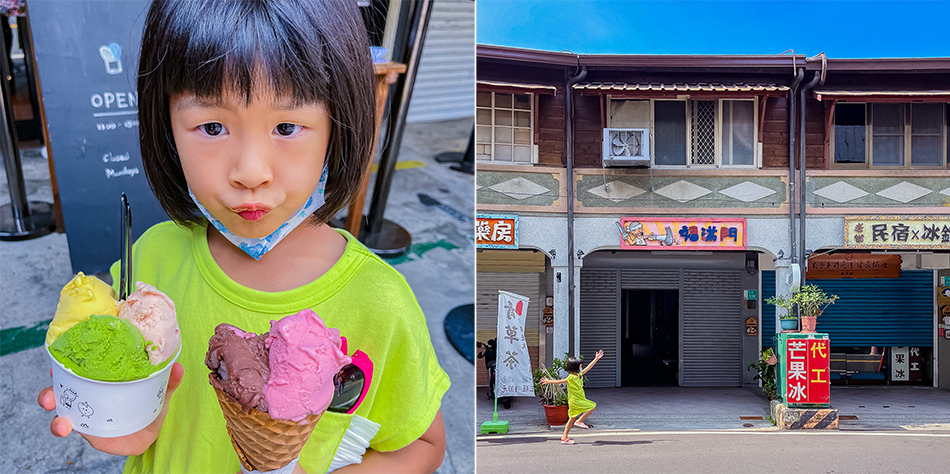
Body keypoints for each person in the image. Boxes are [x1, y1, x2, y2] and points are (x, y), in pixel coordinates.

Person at [37, 1, 450, 472]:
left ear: (338, 126)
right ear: (166, 127)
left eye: (287, 126)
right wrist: (122, 422)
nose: (251, 172)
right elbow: (142, 428)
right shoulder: (151, 258)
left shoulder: (381, 304)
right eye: (212, 126)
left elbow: (421, 447)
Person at [540, 350, 604, 445]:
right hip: (576, 400)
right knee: (592, 406)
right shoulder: (571, 377)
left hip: (577, 399)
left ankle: (564, 437)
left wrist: (596, 359)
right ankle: (579, 421)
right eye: (580, 365)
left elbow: (588, 368)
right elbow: (560, 381)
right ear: (576, 367)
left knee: (571, 419)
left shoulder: (578, 375)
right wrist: (549, 381)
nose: (581, 366)